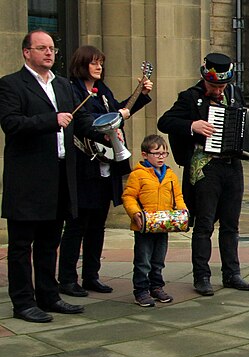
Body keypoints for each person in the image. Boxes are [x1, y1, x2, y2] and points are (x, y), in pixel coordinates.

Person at [0, 30, 108, 323]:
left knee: (50, 241)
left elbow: (80, 121)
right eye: (42, 48)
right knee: (22, 246)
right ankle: (23, 302)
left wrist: (109, 127)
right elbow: (11, 123)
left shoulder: (62, 85)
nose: (49, 53)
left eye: (52, 48)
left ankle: (49, 295)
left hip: (61, 175)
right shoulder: (11, 85)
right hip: (28, 179)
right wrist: (52, 120)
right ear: (27, 52)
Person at [157, 53, 249, 296]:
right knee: (204, 224)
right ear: (204, 79)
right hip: (205, 169)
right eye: (214, 86)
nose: (219, 92)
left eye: (222, 86)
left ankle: (232, 273)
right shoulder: (190, 98)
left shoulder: (235, 93)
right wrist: (192, 126)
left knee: (231, 224)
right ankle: (201, 276)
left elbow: (245, 126)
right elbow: (164, 122)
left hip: (232, 167)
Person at [58, 45, 153, 298]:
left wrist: (140, 95)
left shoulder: (102, 91)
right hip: (82, 167)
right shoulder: (72, 90)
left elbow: (118, 110)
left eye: (100, 62)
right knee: (76, 225)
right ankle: (67, 279)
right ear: (82, 64)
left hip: (105, 167)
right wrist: (117, 116)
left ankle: (91, 276)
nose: (99, 67)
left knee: (97, 226)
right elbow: (88, 123)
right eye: (93, 63)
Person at [121, 135, 186, 307]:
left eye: (164, 153)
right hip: (144, 226)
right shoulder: (138, 175)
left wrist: (181, 210)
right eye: (156, 153)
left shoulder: (170, 174)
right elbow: (129, 197)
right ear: (145, 154)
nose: (161, 157)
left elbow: (177, 196)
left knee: (158, 259)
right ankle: (141, 290)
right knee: (143, 260)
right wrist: (135, 213)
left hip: (163, 224)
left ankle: (156, 286)